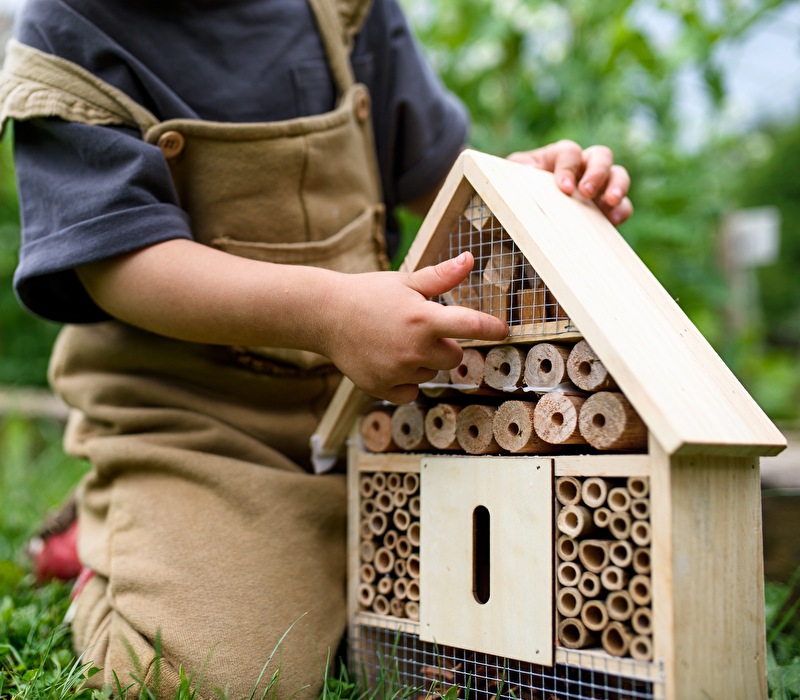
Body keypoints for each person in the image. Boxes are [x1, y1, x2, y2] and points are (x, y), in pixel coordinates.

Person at [0, 0, 632, 696]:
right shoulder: (70, 28)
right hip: (196, 421)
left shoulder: (346, 10)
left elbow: (432, 175)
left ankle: (283, 551)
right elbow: (121, 263)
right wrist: (330, 315)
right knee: (221, 677)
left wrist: (523, 183)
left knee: (504, 606)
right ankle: (114, 548)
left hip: (378, 405)